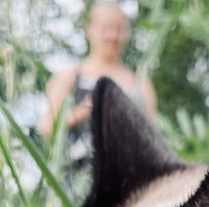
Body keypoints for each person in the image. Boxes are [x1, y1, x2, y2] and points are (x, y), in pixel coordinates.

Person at [38, 2, 157, 179]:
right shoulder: (68, 78)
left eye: (119, 28)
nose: (112, 35)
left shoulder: (141, 85)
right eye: (106, 28)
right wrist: (81, 112)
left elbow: (153, 142)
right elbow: (47, 128)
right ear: (90, 29)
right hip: (77, 185)